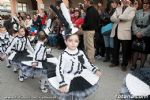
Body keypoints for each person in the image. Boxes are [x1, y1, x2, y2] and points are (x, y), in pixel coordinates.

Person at [110, 0, 136, 71]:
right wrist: (121, 18)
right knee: (116, 48)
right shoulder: (118, 9)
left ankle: (124, 64)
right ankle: (115, 62)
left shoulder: (132, 9)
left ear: (130, 1)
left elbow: (129, 18)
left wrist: (118, 17)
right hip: (116, 31)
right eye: (124, 0)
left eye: (127, 0)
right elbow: (112, 18)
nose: (125, 1)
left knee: (125, 50)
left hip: (125, 32)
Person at [131, 0, 150, 70]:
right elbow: (133, 23)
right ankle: (133, 65)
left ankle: (141, 66)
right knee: (135, 49)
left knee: (144, 51)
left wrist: (142, 33)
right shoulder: (138, 11)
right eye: (144, 3)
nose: (145, 5)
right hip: (136, 33)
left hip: (146, 34)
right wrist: (136, 32)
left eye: (147, 3)